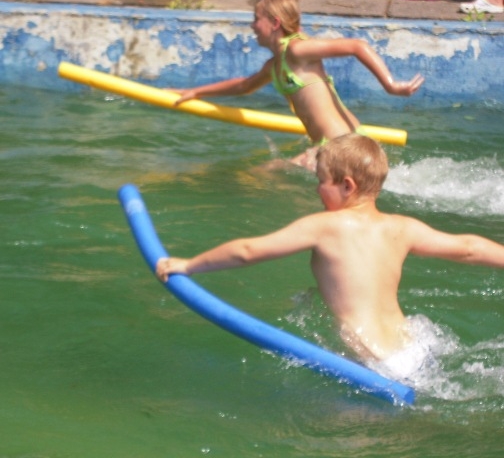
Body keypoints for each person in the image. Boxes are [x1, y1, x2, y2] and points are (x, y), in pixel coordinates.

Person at [156, 133, 504, 378]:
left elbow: (248, 251)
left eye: (321, 180)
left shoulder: (324, 226)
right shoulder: (403, 227)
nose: (316, 188)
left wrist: (189, 264)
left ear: (347, 185)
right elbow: (469, 248)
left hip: (372, 360)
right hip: (415, 350)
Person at [168, 0, 424, 171]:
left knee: (261, 176)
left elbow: (357, 46)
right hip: (335, 147)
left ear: (275, 23)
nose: (252, 25)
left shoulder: (298, 50)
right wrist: (195, 91)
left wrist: (390, 85)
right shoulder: (275, 65)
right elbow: (244, 85)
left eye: (256, 18)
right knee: (267, 174)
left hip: (342, 146)